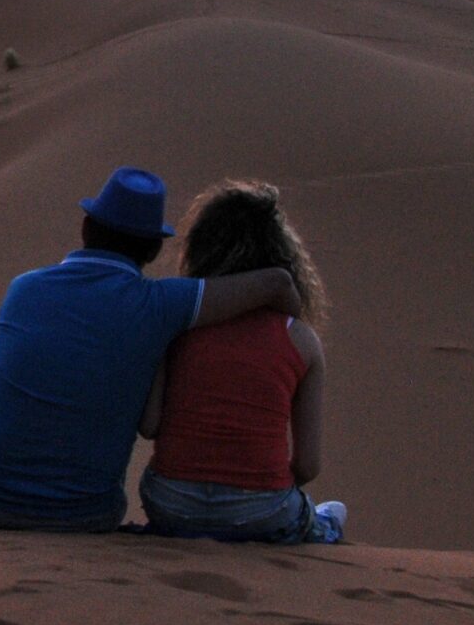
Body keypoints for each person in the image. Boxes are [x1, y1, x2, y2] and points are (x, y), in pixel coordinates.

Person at [0, 167, 303, 532]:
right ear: (155, 248)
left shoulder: (23, 289)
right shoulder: (160, 306)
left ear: (85, 227)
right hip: (86, 517)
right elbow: (276, 283)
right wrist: (290, 333)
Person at [137, 183, 343, 543]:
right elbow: (308, 465)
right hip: (260, 511)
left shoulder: (178, 326)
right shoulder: (302, 340)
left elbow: (151, 424)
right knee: (329, 514)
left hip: (170, 504)